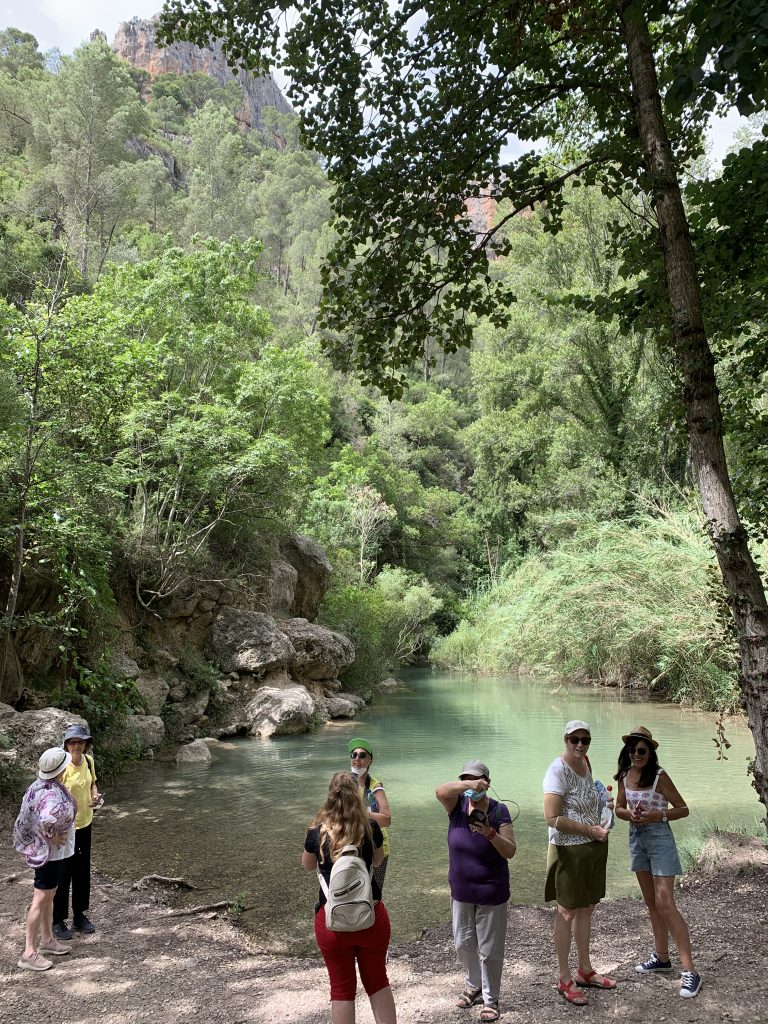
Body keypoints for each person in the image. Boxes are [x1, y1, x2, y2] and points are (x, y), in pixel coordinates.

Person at [614, 725, 702, 999]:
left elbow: (683, 808)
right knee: (651, 902)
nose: (636, 754)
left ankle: (690, 971)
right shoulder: (624, 776)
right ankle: (662, 958)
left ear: (650, 753)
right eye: (632, 750)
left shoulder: (659, 777)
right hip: (636, 838)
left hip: (660, 838)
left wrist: (656, 815)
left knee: (665, 903)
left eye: (642, 750)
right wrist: (630, 815)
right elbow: (618, 808)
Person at [302, 771, 397, 1024]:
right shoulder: (370, 827)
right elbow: (378, 862)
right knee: (377, 981)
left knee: (341, 989)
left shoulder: (317, 831)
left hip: (332, 922)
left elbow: (308, 866)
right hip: (371, 916)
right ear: (357, 797)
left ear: (330, 797)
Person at [436, 759, 516, 1023]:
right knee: (462, 942)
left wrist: (489, 833)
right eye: (467, 779)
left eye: (477, 779)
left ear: (488, 783)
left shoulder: (499, 810)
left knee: (490, 949)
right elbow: (440, 791)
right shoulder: (456, 806)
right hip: (461, 890)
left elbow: (510, 851)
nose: (472, 785)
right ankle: (473, 985)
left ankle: (491, 999)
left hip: (491, 890)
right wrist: (468, 784)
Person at [543, 720, 616, 1006]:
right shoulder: (556, 770)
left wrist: (605, 812)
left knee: (587, 907)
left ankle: (584, 970)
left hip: (593, 846)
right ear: (566, 739)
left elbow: (591, 799)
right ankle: (564, 979)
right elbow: (551, 818)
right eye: (575, 739)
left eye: (585, 740)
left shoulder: (585, 762)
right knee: (566, 912)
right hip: (569, 850)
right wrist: (589, 830)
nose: (580, 745)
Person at [12, 747, 77, 971]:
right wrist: (53, 834)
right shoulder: (48, 793)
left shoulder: (41, 786)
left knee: (50, 895)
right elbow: (44, 818)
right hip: (48, 853)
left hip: (51, 853)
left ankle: (48, 940)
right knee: (40, 898)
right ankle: (29, 953)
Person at [52, 724, 102, 939]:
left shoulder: (89, 762)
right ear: (66, 745)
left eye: (80, 742)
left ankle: (79, 915)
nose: (76, 746)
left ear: (85, 744)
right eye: (73, 742)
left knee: (82, 871)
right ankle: (57, 920)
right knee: (63, 873)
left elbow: (93, 785)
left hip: (85, 824)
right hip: (65, 828)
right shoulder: (61, 767)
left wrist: (96, 797)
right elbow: (51, 795)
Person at [348, 737, 392, 892]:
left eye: (362, 755)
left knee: (374, 895)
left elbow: (386, 819)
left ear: (370, 761)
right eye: (354, 755)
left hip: (376, 846)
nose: (357, 759)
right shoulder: (345, 784)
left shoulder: (375, 786)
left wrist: (361, 814)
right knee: (352, 893)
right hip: (351, 846)